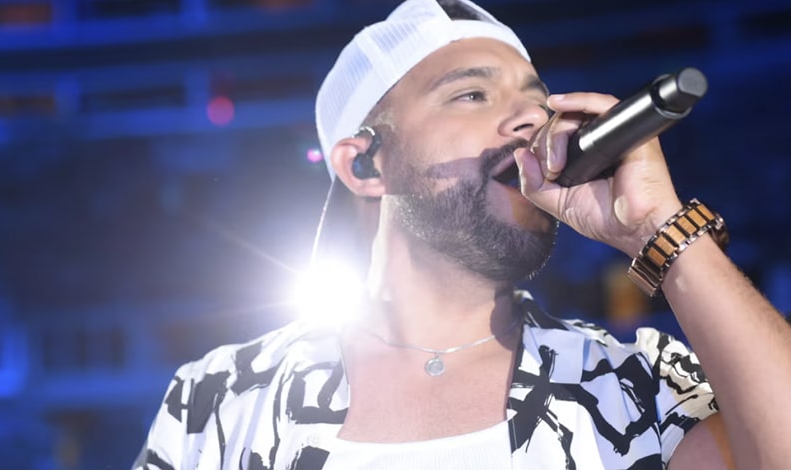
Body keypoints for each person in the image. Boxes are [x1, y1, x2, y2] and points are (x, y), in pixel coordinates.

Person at [134, 0, 791, 469]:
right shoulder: (224, 396)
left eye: (535, 99)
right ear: (366, 166)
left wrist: (659, 228)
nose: (529, 120)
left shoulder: (632, 383)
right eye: (472, 95)